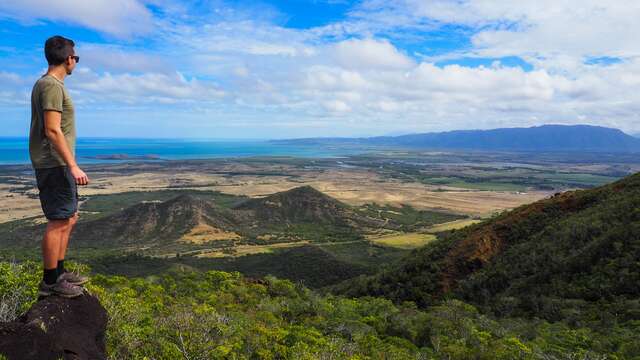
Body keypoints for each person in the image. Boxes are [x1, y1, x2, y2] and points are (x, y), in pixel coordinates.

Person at [30, 35, 89, 298]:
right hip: (54, 163)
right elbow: (53, 130)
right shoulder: (51, 85)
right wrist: (73, 165)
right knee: (58, 221)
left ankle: (60, 271)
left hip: (57, 163)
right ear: (68, 59)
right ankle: (50, 282)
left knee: (69, 217)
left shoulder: (48, 85)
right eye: (75, 57)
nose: (75, 61)